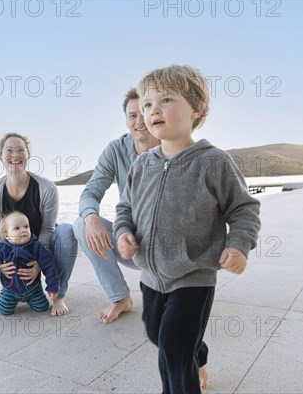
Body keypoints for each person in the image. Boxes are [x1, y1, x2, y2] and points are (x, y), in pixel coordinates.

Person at [114, 65, 261, 393]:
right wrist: (123, 232)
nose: (152, 110)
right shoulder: (142, 164)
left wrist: (238, 245)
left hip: (193, 275)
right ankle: (200, 352)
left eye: (165, 100)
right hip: (151, 277)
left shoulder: (213, 162)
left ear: (196, 108)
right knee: (156, 333)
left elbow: (243, 209)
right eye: (147, 104)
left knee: (173, 352)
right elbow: (125, 207)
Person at [0, 132, 77, 316]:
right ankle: (13, 286)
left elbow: (48, 229)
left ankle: (58, 296)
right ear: (1, 157)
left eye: (20, 150)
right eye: (9, 150)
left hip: (42, 246)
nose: (15, 155)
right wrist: (0, 263)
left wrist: (40, 262)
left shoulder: (47, 188)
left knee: (67, 232)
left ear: (28, 156)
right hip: (10, 248)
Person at [73, 88, 160, 324]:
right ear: (126, 120)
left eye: (145, 112)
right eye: (132, 115)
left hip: (168, 249)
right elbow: (91, 191)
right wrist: (92, 219)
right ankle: (120, 297)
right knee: (82, 224)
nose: (139, 121)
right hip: (131, 244)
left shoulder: (173, 146)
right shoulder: (115, 150)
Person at [0, 211, 59, 315]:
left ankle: (32, 299)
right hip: (10, 290)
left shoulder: (36, 247)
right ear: (6, 235)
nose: (23, 230)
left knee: (42, 307)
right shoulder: (2, 249)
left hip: (33, 289)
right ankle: (1, 299)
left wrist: (52, 287)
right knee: (4, 311)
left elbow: (49, 266)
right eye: (17, 228)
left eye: (26, 226)